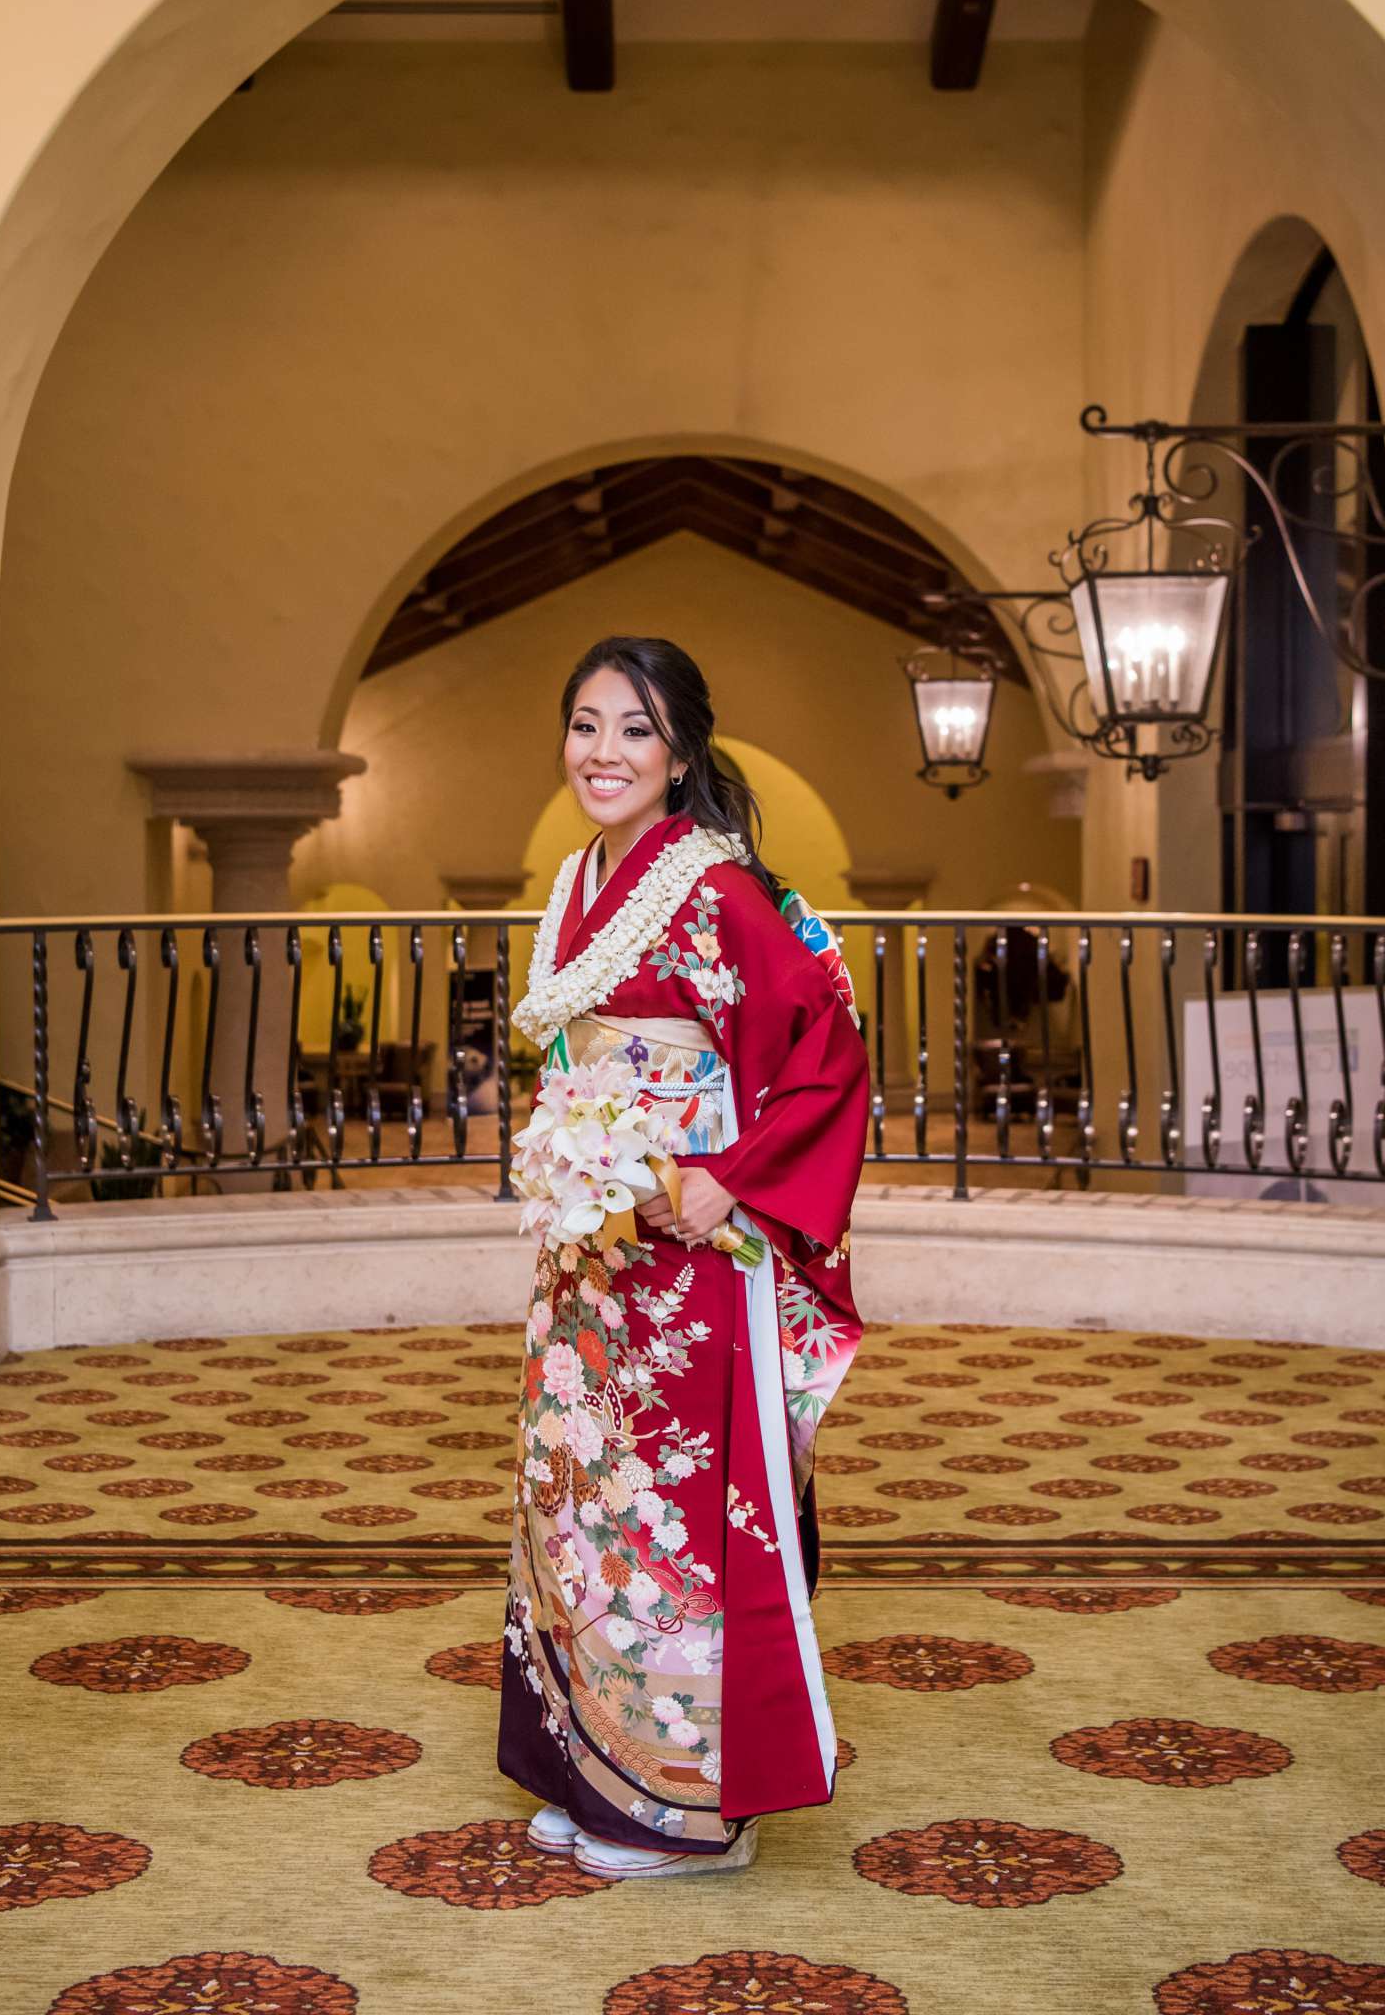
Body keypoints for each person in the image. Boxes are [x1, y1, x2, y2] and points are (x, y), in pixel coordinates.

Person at [497, 635, 870, 1880]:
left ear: (683, 754)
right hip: (593, 1252)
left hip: (685, 1255)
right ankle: (602, 1773)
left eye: (634, 731)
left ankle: (695, 1811)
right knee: (586, 1509)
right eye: (586, 724)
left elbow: (827, 1041)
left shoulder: (714, 887)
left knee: (675, 1525)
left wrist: (732, 1178)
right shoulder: (580, 876)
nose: (604, 754)